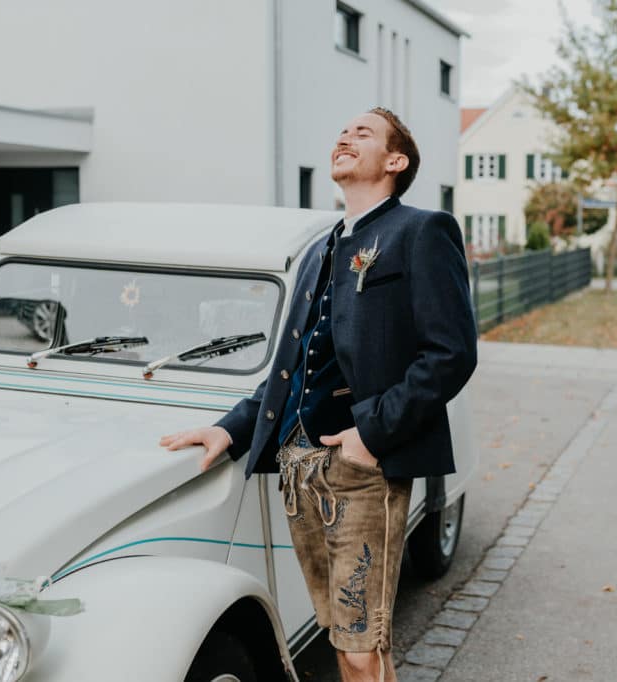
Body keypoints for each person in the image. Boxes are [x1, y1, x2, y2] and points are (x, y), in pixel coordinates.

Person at [159, 107, 477, 682]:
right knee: (342, 638)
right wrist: (231, 427)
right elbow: (293, 366)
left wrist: (370, 437)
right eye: (341, 132)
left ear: (395, 161)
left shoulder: (421, 231)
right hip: (301, 471)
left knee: (361, 645)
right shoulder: (319, 249)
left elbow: (451, 353)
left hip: (363, 470)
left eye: (363, 133)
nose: (344, 138)